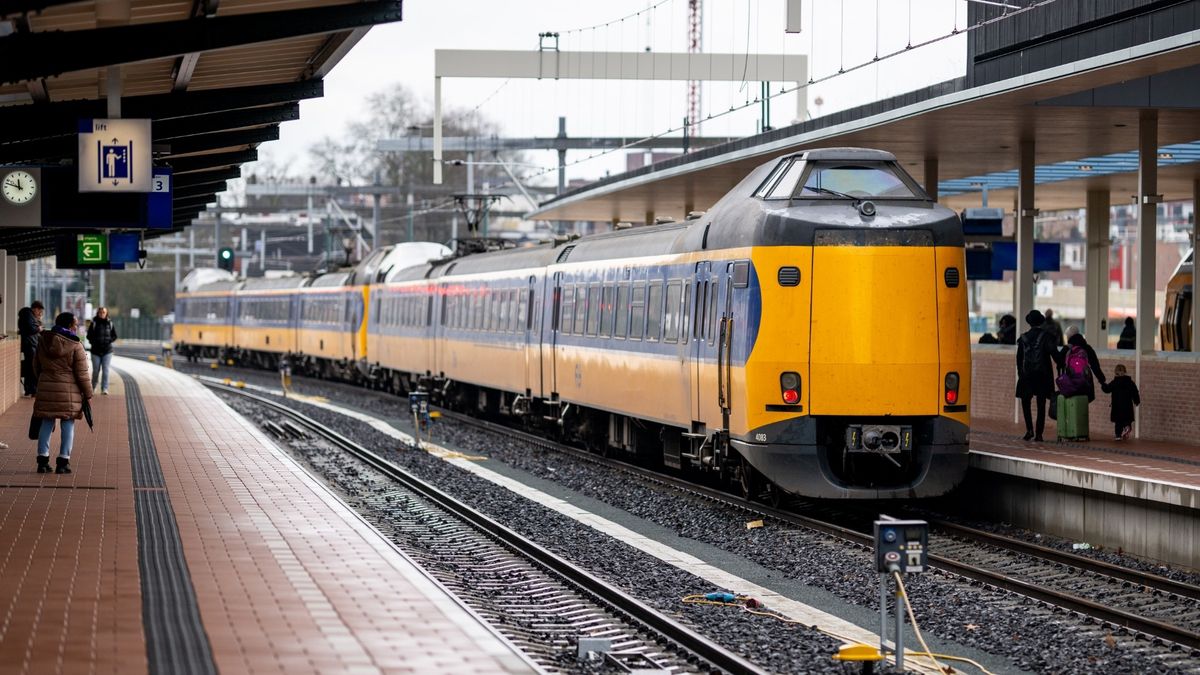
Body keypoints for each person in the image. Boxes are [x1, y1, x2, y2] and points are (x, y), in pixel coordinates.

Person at [32, 312, 93, 474]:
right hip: (68, 391)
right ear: (69, 325)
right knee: (67, 424)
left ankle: (42, 461)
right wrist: (88, 393)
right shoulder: (75, 344)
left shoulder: (43, 340)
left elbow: (35, 366)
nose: (76, 326)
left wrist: (44, 381)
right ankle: (63, 462)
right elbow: (82, 373)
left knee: (46, 422)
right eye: (75, 324)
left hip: (46, 387)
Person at [1016, 310, 1062, 441]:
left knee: (1026, 402)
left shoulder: (1023, 338)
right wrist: (1063, 357)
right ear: (1041, 321)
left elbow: (1019, 360)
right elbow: (1055, 355)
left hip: (1026, 376)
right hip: (1042, 375)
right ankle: (1039, 434)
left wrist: (1021, 374)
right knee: (1041, 404)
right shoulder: (1046, 336)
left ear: (1029, 323)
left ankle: (1029, 430)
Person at [1060, 325, 1107, 401]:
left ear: (1069, 336)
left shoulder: (1067, 348)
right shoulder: (1087, 347)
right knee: (1083, 405)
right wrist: (1102, 381)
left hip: (1071, 381)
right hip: (1085, 381)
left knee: (1072, 405)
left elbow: (1059, 362)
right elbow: (1095, 365)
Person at [1102, 365, 1141, 440]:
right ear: (1125, 372)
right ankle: (1127, 427)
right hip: (1127, 404)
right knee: (1127, 418)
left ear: (1115, 372)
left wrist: (1103, 384)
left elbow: (1107, 389)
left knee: (1118, 421)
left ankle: (1118, 435)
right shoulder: (1129, 382)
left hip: (1117, 405)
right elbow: (1135, 392)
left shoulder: (1114, 382)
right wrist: (1136, 401)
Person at [86, 307, 117, 395]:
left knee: (106, 370)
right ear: (98, 313)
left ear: (106, 313)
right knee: (96, 370)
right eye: (100, 312)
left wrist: (109, 341)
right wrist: (93, 342)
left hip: (107, 351)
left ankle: (105, 388)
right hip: (95, 351)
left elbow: (114, 336)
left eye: (103, 312)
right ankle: (93, 386)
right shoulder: (94, 323)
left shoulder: (110, 323)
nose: (102, 314)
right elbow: (89, 336)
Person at [17, 300, 44, 396]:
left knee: (30, 367)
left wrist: (38, 322)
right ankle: (32, 389)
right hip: (29, 344)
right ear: (36, 309)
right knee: (32, 367)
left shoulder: (31, 316)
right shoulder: (27, 314)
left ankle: (31, 389)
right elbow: (31, 329)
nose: (40, 314)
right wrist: (38, 328)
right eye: (39, 312)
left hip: (32, 344)